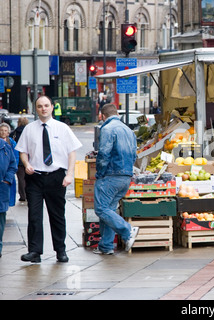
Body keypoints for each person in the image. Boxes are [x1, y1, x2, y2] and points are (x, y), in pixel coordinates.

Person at [16, 96, 82, 263]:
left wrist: (69, 174)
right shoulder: (29, 129)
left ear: (52, 107)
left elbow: (72, 152)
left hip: (56, 177)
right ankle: (35, 252)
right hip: (35, 177)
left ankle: (60, 250)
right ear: (35, 109)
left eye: (46, 105)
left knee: (57, 215)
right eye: (40, 106)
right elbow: (22, 151)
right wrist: (26, 163)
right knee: (34, 216)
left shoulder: (63, 128)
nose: (43, 109)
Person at [93, 103, 139, 255]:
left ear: (103, 116)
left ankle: (128, 230)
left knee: (101, 209)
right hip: (125, 177)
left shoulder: (107, 129)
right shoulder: (129, 130)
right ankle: (106, 246)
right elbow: (134, 155)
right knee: (109, 210)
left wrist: (99, 172)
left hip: (110, 176)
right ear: (117, 114)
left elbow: (104, 154)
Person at [0, 138, 18, 258]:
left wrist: (7, 179)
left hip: (1, 187)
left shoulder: (4, 146)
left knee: (0, 218)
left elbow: (13, 164)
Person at [10, 117, 30, 202]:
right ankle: (30, 194)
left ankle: (22, 195)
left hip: (18, 158)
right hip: (29, 157)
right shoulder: (29, 132)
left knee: (21, 178)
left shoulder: (14, 133)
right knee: (29, 178)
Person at [0, 123, 19, 207]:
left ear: (8, 132)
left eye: (5, 131)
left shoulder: (12, 143)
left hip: (8, 174)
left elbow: (15, 158)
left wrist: (10, 174)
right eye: (1, 130)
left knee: (8, 193)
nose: (3, 132)